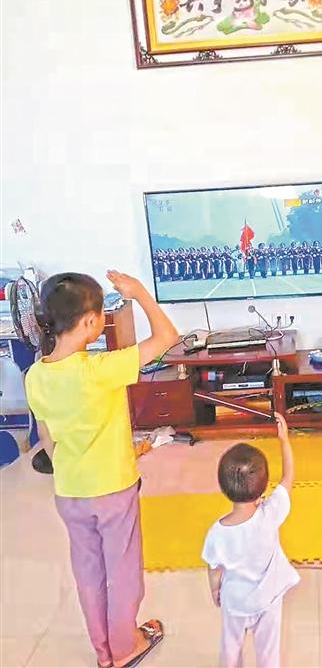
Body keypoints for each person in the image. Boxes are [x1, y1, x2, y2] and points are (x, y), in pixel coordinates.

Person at [25, 271, 180, 668]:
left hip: (69, 491)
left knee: (88, 572)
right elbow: (167, 337)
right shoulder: (100, 369)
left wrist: (70, 467)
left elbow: (47, 437)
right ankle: (126, 646)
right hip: (112, 489)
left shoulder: (36, 375)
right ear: (91, 321)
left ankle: (104, 651)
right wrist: (140, 292)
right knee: (122, 571)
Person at [202, 414, 299, 668]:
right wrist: (284, 439)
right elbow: (288, 477)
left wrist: (215, 589)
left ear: (223, 488)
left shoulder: (217, 533)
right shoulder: (271, 513)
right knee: (269, 652)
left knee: (230, 647)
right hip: (268, 598)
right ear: (263, 486)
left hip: (235, 600)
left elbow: (214, 569)